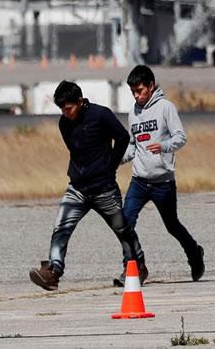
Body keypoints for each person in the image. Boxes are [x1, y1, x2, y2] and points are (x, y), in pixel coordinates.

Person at [29, 80, 145, 290]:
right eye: (61, 108)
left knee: (122, 229)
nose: (65, 112)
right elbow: (77, 152)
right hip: (77, 189)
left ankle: (137, 266)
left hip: (104, 188)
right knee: (61, 228)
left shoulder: (101, 115)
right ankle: (53, 272)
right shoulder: (64, 123)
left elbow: (122, 138)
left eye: (68, 107)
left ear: (80, 101)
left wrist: (110, 166)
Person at [118, 65, 204, 285]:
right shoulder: (133, 112)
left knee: (172, 225)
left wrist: (164, 146)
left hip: (163, 182)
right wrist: (114, 160)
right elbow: (132, 146)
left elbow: (181, 137)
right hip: (139, 180)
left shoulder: (166, 108)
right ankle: (134, 266)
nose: (137, 96)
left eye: (140, 90)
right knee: (125, 223)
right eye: (133, 92)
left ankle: (195, 254)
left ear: (151, 86)